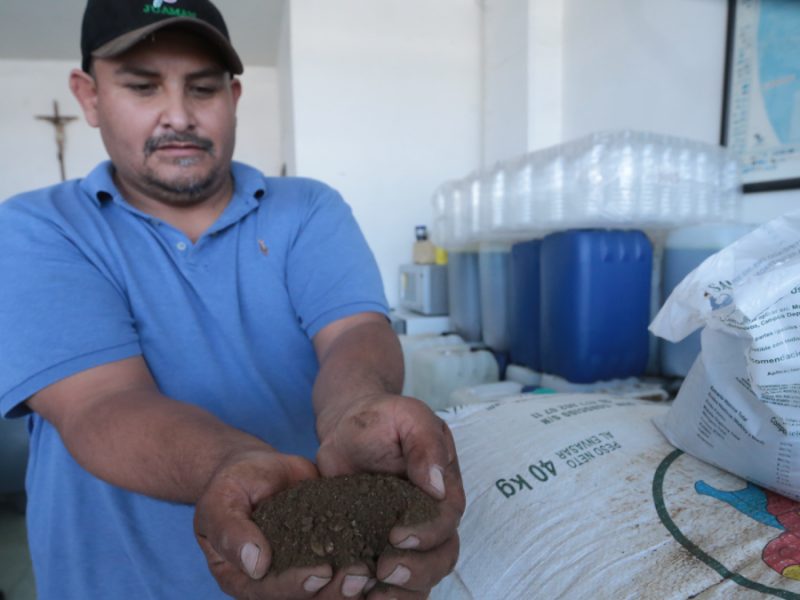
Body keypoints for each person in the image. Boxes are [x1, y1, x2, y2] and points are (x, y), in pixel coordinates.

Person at [0, 0, 465, 598]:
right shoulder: (36, 228)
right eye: (143, 87)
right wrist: (229, 464)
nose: (179, 116)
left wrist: (359, 409)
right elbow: (99, 403)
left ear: (235, 97)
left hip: (318, 575)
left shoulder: (307, 209)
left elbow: (353, 333)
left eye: (203, 88)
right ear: (88, 96)